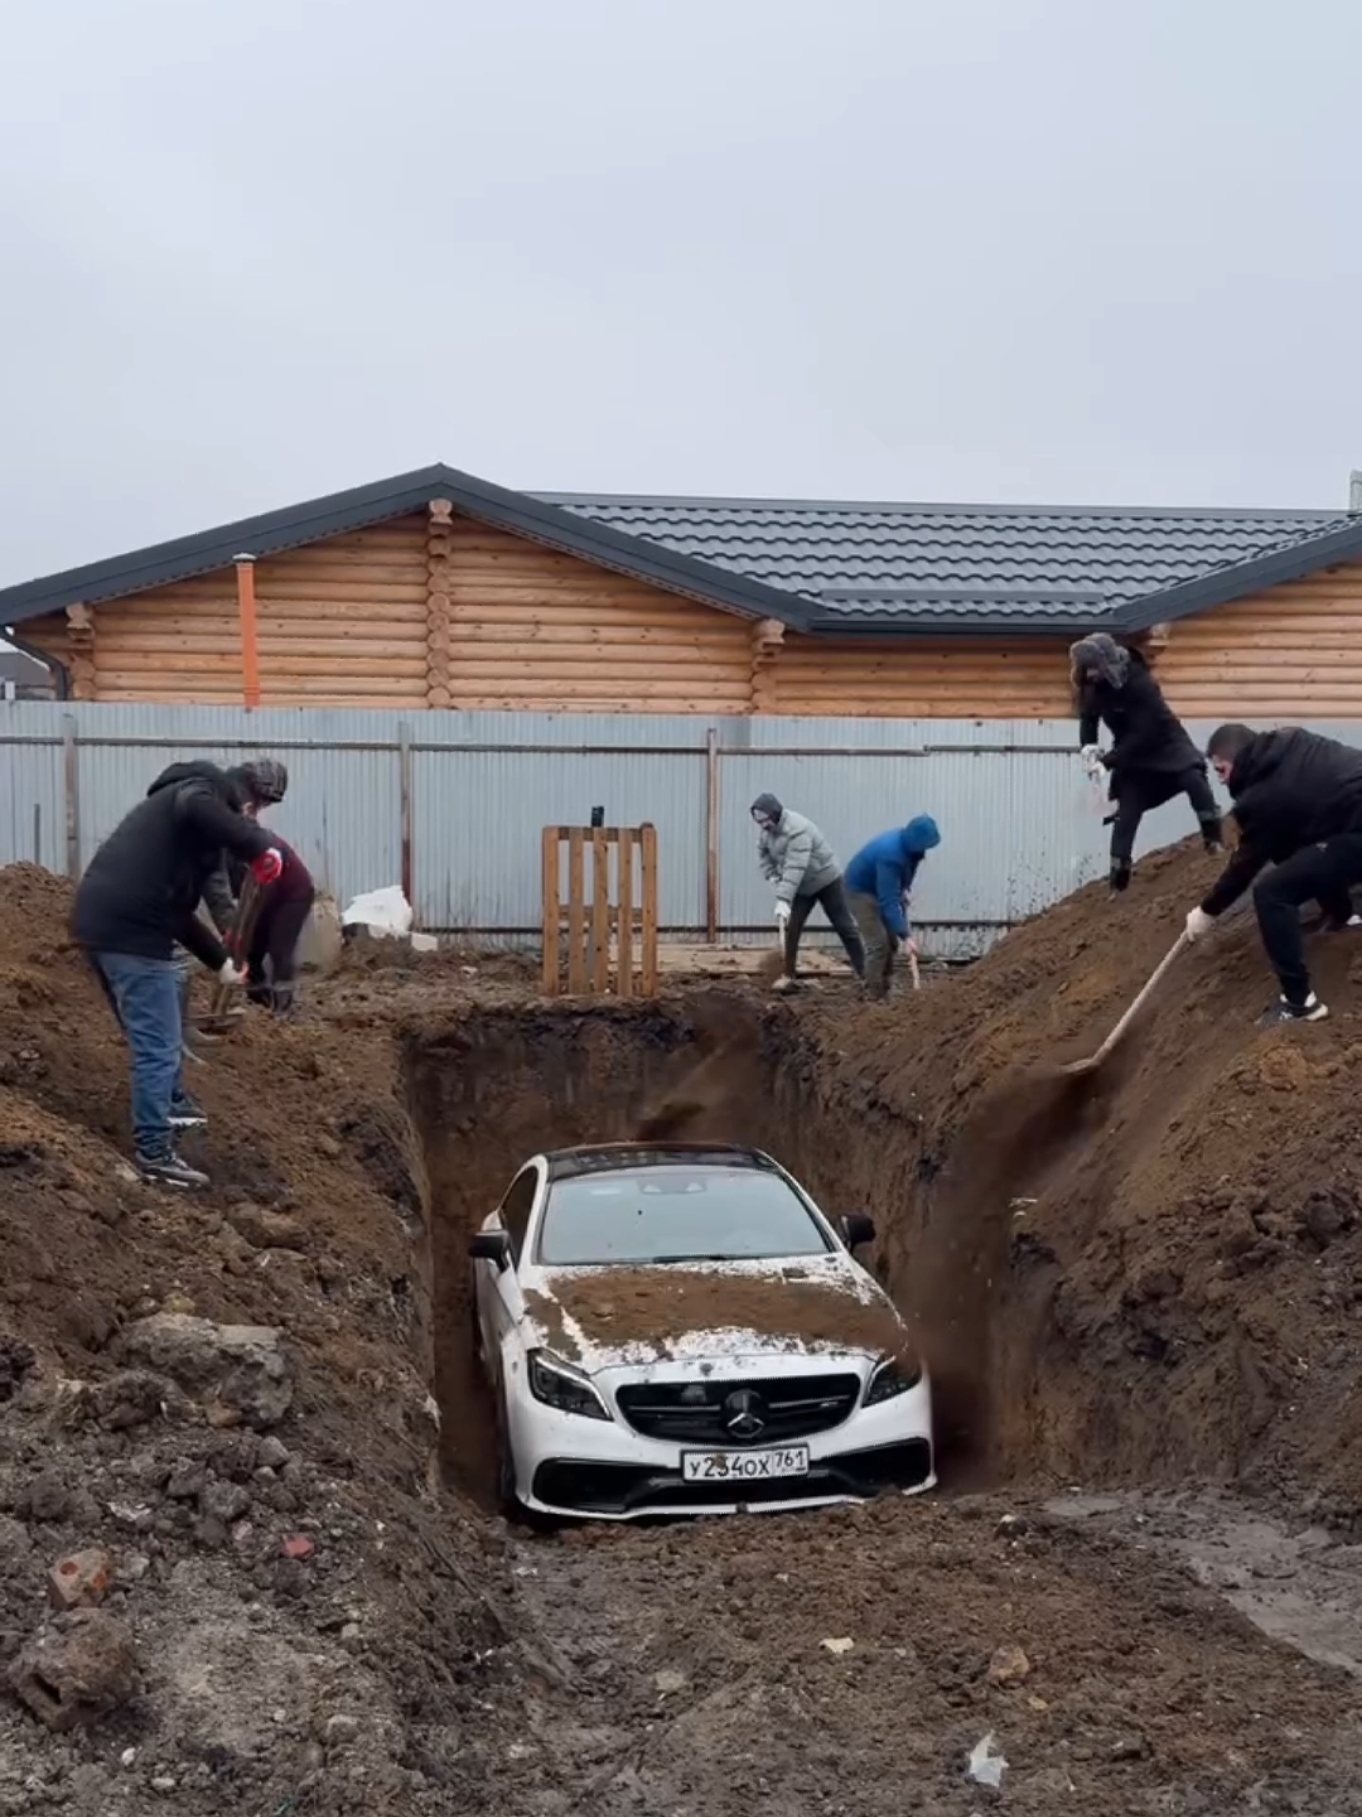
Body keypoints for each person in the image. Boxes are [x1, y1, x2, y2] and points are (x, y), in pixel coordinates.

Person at [73, 761, 280, 1188]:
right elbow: (197, 806)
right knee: (159, 1046)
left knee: (157, 1032)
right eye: (254, 808)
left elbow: (179, 914)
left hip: (108, 925)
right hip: (130, 934)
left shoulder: (185, 845)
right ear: (241, 798)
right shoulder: (197, 792)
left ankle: (172, 1103)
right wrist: (259, 844)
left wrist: (222, 963)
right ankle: (154, 1152)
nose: (254, 817)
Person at [1184, 723, 1362, 1024]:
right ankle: (1343, 916)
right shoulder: (1293, 740)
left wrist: (1206, 911)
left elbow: (1246, 865)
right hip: (1347, 821)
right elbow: (1300, 826)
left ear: (1237, 760)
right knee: (1303, 854)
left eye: (1221, 770)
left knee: (1271, 893)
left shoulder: (1263, 797)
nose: (1222, 780)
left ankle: (1300, 1004)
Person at [1071, 632, 1223, 893]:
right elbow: (1088, 718)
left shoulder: (1140, 682)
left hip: (1165, 741)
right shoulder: (1093, 687)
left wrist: (1107, 762)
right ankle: (1118, 884)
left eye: (1095, 668)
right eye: (1088, 669)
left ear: (1108, 663)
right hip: (1132, 758)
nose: (1091, 675)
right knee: (1126, 814)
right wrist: (1089, 748)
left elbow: (1144, 733)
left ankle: (1213, 839)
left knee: (1192, 777)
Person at [201, 762, 315, 1016]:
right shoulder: (226, 845)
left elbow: (265, 886)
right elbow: (224, 886)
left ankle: (283, 1007)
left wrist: (247, 922)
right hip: (265, 891)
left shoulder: (256, 844)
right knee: (251, 951)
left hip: (292, 893)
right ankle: (259, 1001)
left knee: (279, 948)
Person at [750, 793, 865, 993]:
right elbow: (764, 855)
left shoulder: (797, 830)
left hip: (826, 880)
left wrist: (784, 898)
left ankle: (866, 973)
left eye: (765, 820)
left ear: (775, 814)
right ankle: (788, 975)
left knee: (844, 926)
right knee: (792, 928)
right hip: (802, 886)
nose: (762, 825)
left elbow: (796, 865)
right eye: (758, 821)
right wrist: (772, 876)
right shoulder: (767, 833)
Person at [843, 817, 941, 1001]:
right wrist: (906, 936)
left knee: (891, 942)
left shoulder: (913, 851)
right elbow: (888, 900)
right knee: (878, 944)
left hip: (879, 887)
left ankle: (885, 987)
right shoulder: (890, 854)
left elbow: (905, 875)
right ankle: (872, 995)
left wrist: (903, 888)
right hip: (860, 892)